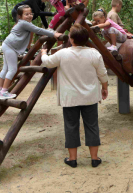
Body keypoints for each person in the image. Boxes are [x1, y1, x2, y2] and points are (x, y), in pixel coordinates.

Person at [41, 24, 108, 168]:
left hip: (70, 97)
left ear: (71, 39)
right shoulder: (94, 53)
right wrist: (105, 87)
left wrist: (43, 53)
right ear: (86, 39)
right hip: (90, 97)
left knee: (71, 126)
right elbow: (103, 74)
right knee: (92, 126)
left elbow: (47, 62)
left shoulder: (63, 53)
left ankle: (72, 159)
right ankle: (95, 158)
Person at [0, 5, 61, 99]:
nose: (29, 16)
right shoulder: (24, 23)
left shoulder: (23, 23)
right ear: (20, 16)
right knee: (12, 69)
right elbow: (38, 30)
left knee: (5, 68)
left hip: (7, 45)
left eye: (30, 13)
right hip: (10, 47)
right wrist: (54, 33)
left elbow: (35, 31)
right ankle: (4, 92)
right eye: (26, 14)